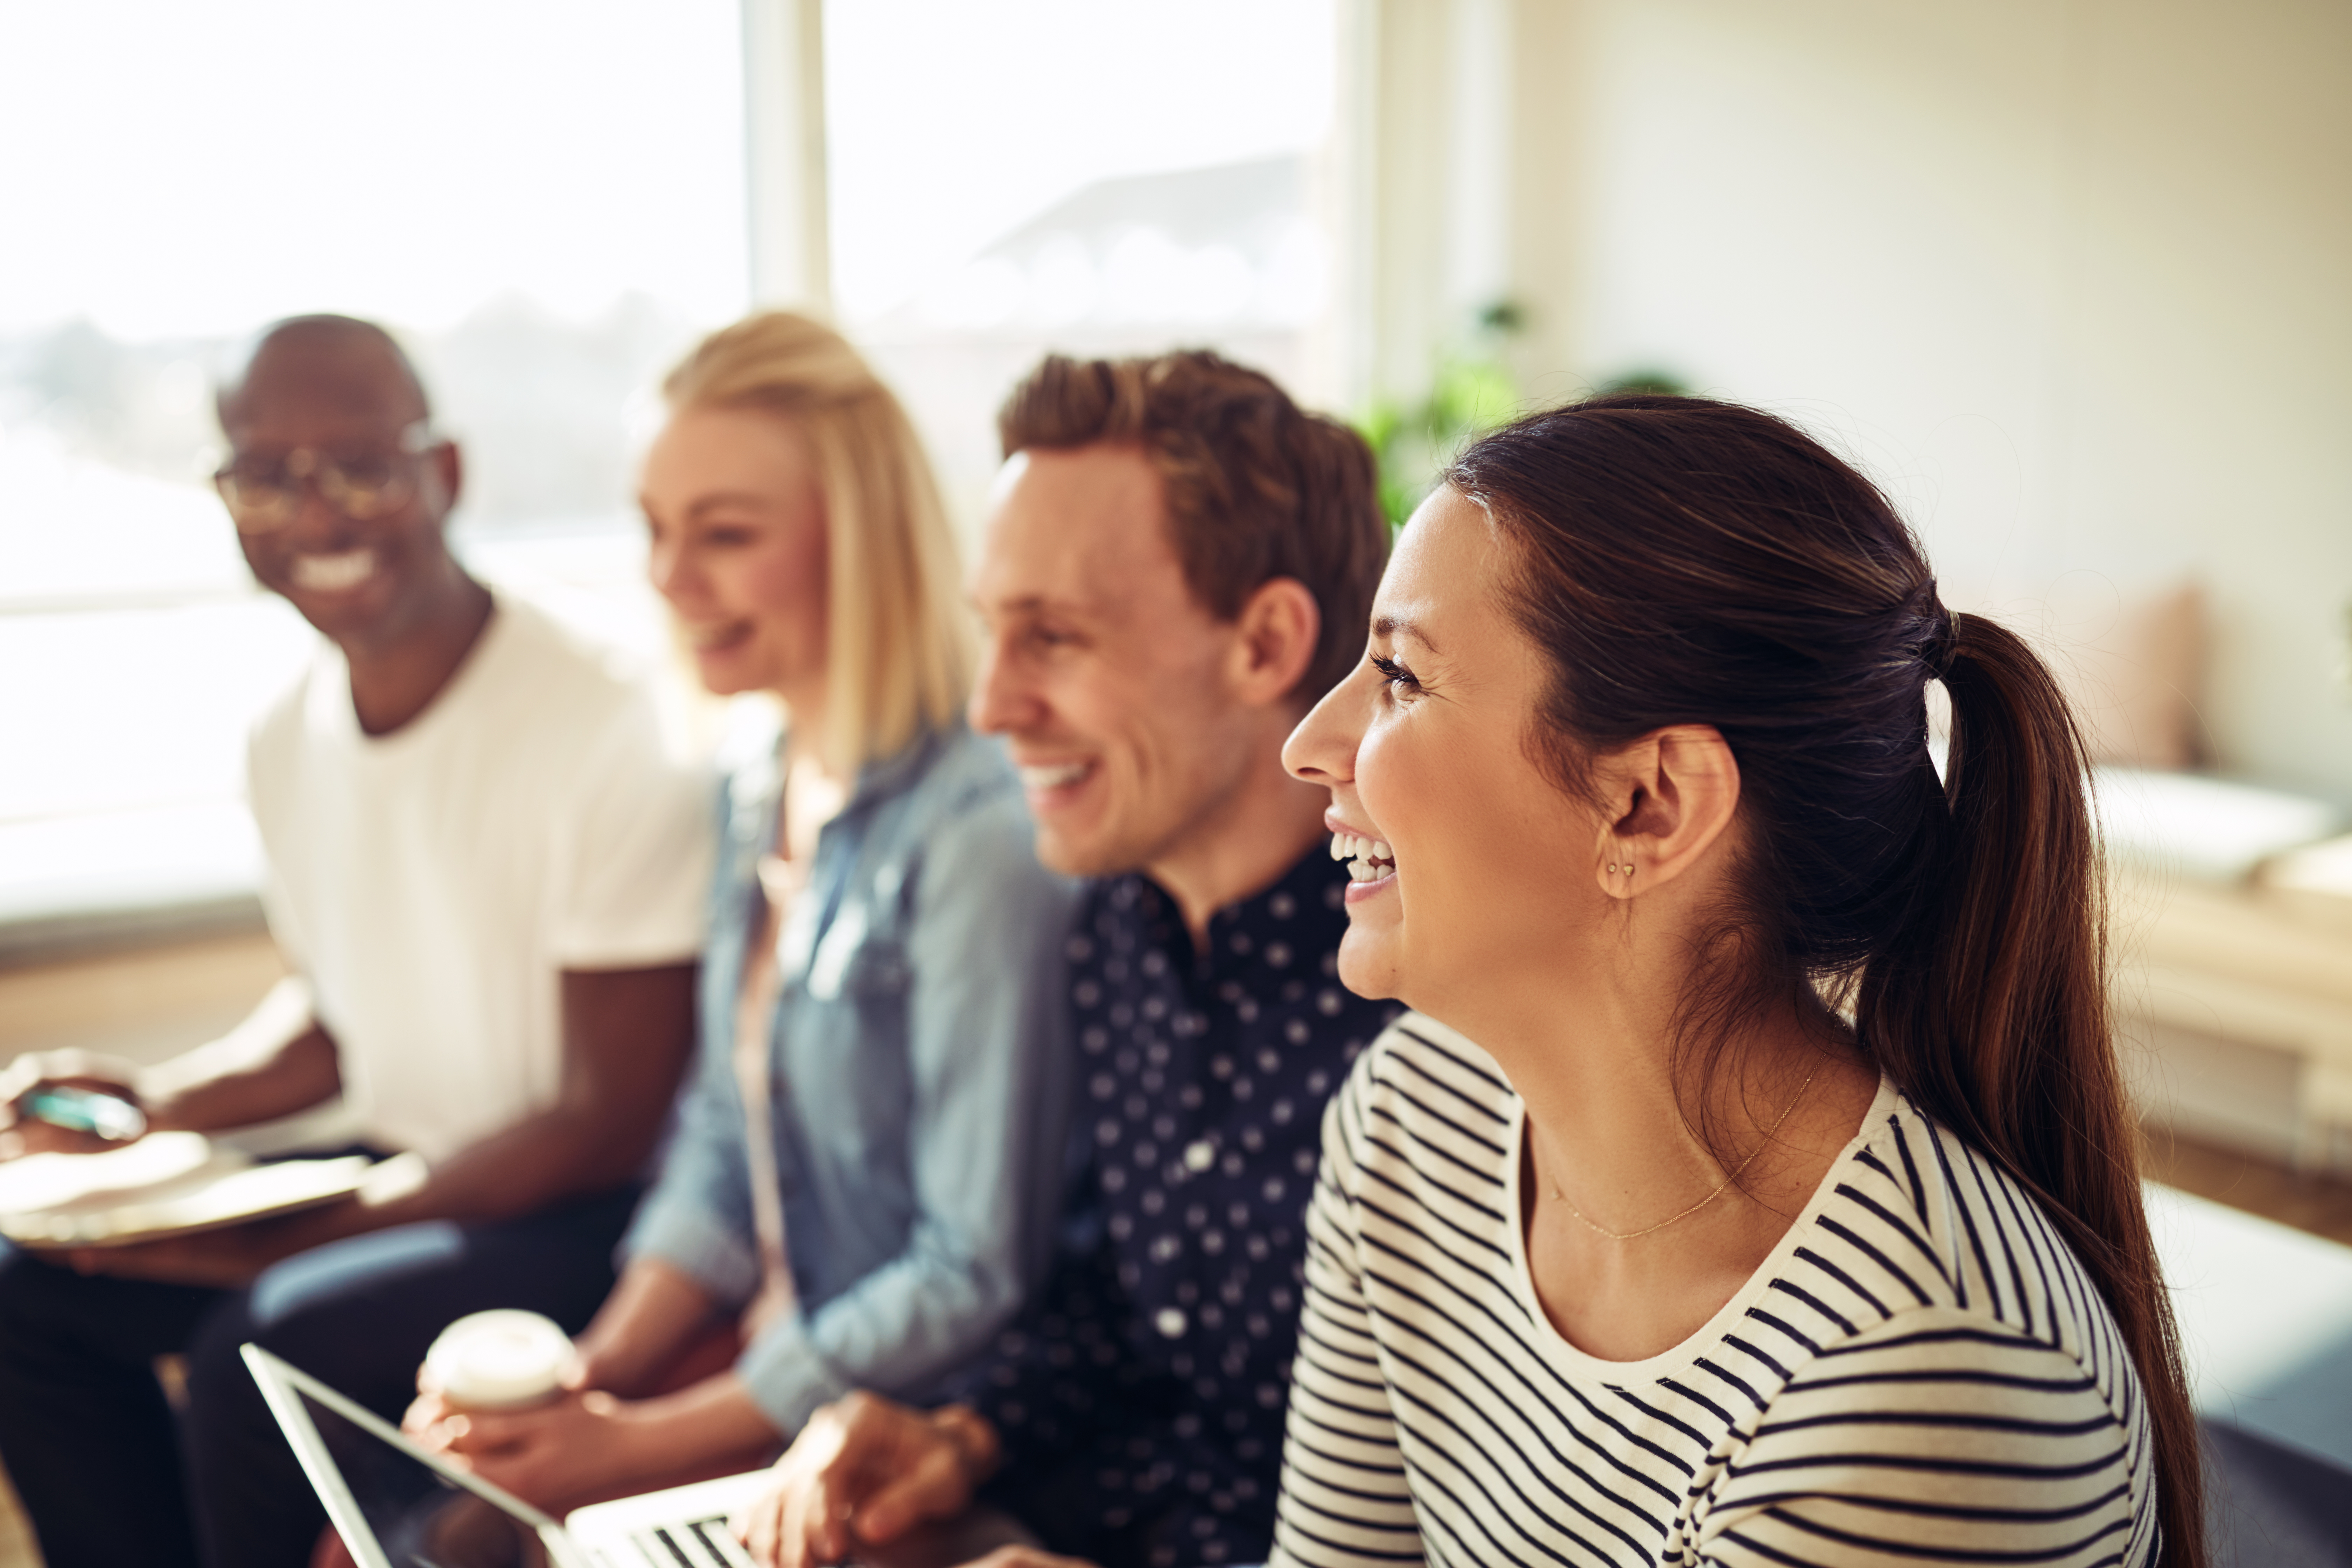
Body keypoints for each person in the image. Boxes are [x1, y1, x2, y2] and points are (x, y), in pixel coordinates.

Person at [1271, 394, 2202, 1564]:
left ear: (1650, 805)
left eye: (1401, 676)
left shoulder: (1933, 1373)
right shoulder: (1416, 1116)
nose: (1308, 742)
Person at [0, 314, 713, 1568]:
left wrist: (310, 1231)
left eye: (359, 466)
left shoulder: (608, 714)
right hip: (414, 1171)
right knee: (18, 1292)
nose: (313, 513)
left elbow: (612, 1119)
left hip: (587, 1210)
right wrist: (161, 1108)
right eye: (266, 473)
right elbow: (337, 1018)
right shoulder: (286, 735)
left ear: (444, 474)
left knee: (257, 1335)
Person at [402, 311, 1080, 1513]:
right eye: (657, 529)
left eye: (723, 534)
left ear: (860, 545)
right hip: (768, 1357)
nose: (671, 577)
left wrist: (640, 1445)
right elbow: (722, 1133)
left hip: (897, 1428)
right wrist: (587, 1381)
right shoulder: (757, 769)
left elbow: (968, 1272)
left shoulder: (980, 832)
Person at [735, 351, 1397, 1568]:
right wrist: (965, 1436)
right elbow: (1121, 1313)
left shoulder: (1431, 989)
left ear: (1265, 643)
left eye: (1053, 638)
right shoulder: (1114, 928)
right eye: (992, 633)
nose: (990, 706)